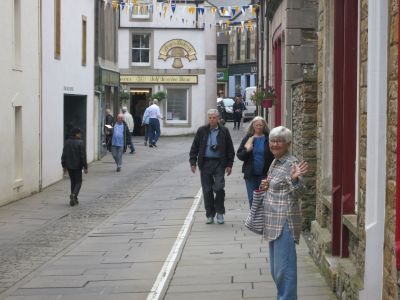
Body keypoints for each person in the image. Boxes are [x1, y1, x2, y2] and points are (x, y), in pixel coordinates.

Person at [260, 126, 308, 300]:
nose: (274, 144)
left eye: (278, 141)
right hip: (272, 222)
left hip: (284, 222)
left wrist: (295, 180)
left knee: (284, 270)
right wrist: (267, 185)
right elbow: (277, 186)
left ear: (288, 143)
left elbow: (300, 192)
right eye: (272, 141)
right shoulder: (275, 161)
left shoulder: (292, 163)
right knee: (276, 271)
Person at [189, 109, 235, 224]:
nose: (212, 120)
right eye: (210, 118)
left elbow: (230, 149)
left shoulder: (224, 131)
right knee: (207, 190)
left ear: (218, 118)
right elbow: (194, 147)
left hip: (219, 162)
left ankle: (220, 212)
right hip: (205, 163)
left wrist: (229, 164)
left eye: (214, 117)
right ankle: (210, 214)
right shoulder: (202, 131)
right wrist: (193, 162)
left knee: (219, 188)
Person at [236, 116, 274, 207]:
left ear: (264, 126)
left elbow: (274, 155)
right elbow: (239, 155)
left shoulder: (269, 139)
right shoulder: (248, 138)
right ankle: (254, 219)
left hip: (265, 175)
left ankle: (262, 219)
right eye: (256, 125)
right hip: (250, 175)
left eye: (261, 125)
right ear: (253, 126)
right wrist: (247, 151)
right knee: (252, 199)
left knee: (264, 199)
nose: (258, 127)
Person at [61, 127, 88, 207]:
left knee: (73, 181)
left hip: (69, 166)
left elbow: (64, 155)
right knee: (78, 182)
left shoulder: (67, 142)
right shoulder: (80, 143)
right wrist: (85, 167)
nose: (80, 135)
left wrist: (64, 165)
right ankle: (74, 195)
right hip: (77, 166)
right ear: (76, 134)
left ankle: (74, 198)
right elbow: (83, 156)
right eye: (79, 133)